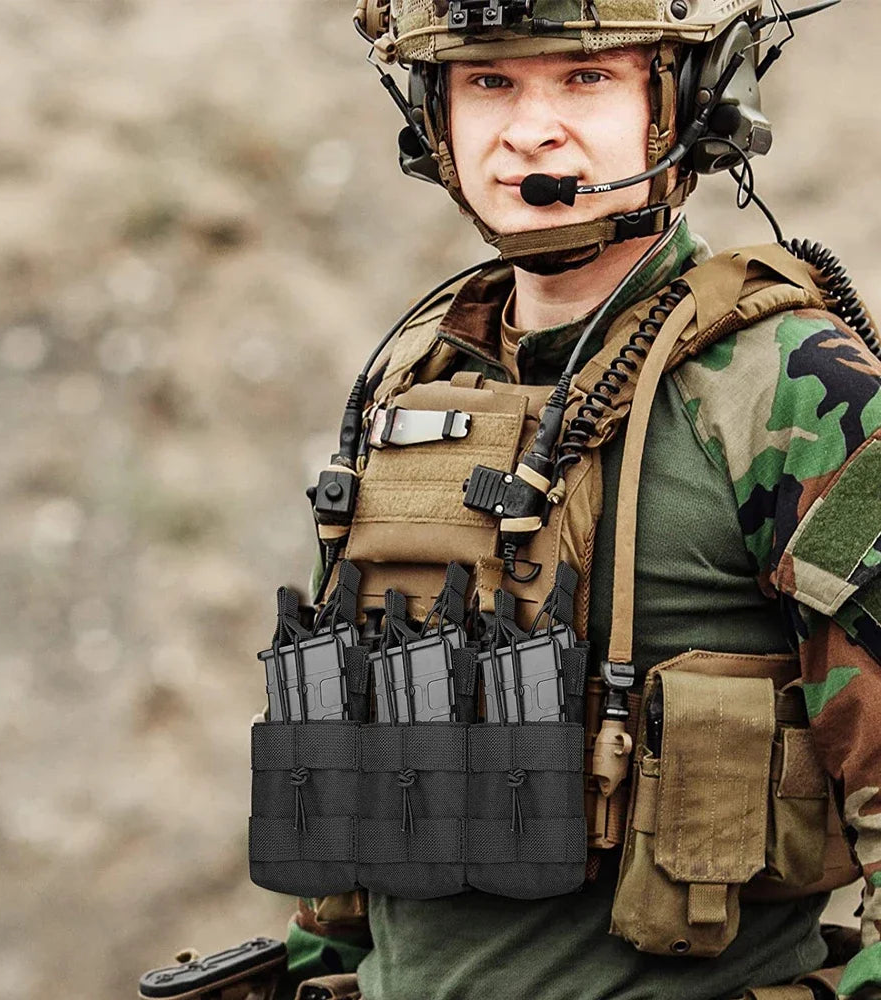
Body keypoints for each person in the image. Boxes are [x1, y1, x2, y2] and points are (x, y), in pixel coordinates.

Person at [253, 3, 881, 1000]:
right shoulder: (412, 384)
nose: (529, 130)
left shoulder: (794, 389)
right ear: (432, 114)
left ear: (683, 103)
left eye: (585, 79)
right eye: (488, 82)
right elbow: (350, 806)